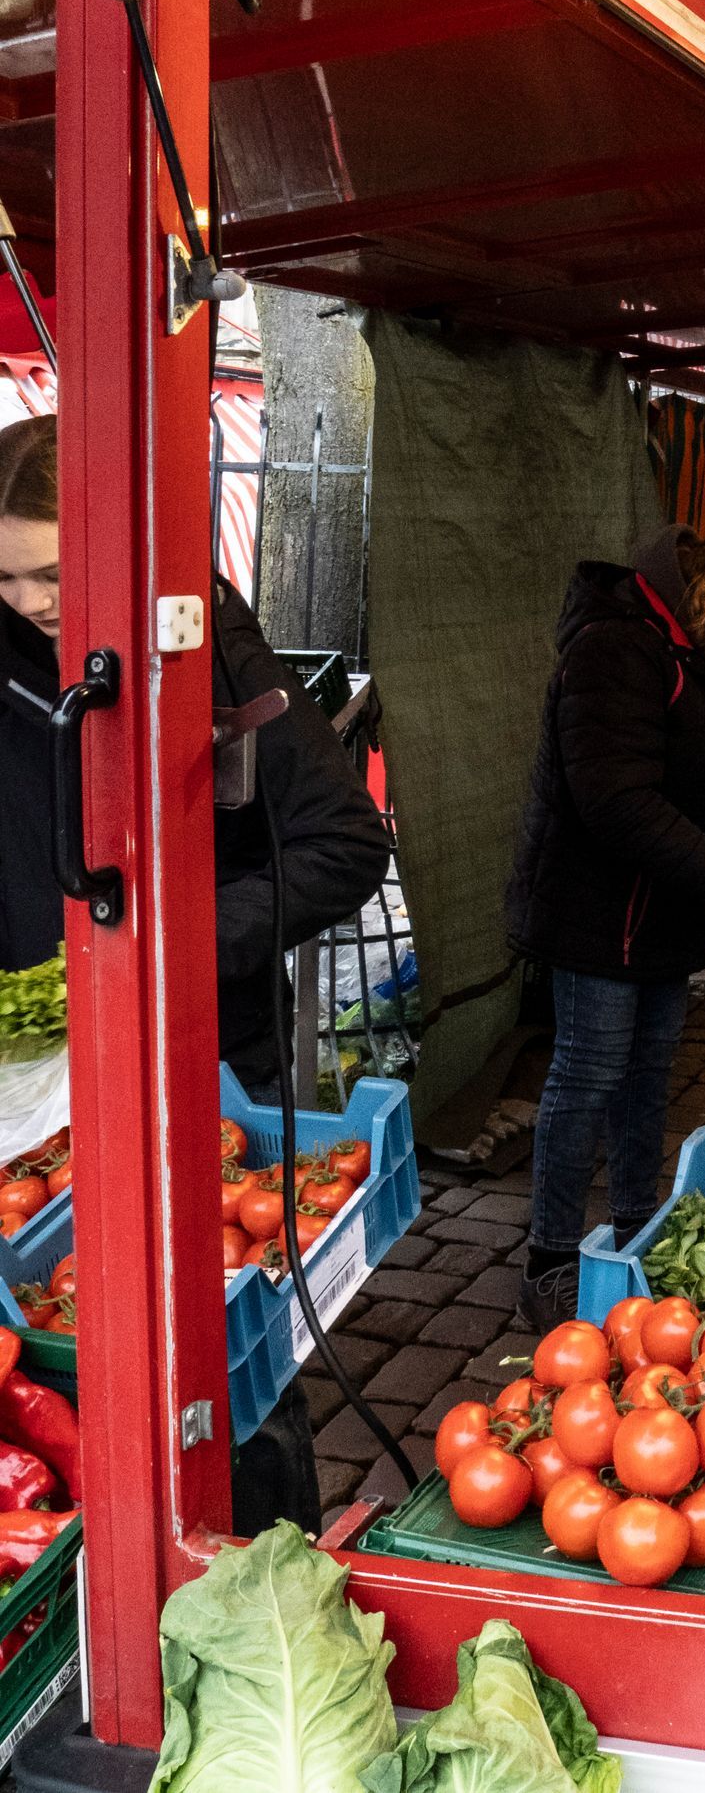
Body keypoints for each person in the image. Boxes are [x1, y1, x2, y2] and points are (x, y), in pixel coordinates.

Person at [0, 414, 392, 1531]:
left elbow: (343, 846)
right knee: (53, 1352)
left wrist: (153, 951)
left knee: (228, 1370)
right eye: (6, 575)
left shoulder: (202, 633)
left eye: (52, 573)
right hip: (30, 1089)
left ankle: (267, 1549)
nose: (29, 600)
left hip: (198, 1056)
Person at [509, 516, 705, 1331]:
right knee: (588, 1075)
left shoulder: (703, 656)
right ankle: (549, 1260)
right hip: (598, 908)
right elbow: (617, 801)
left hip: (663, 905)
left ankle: (636, 1229)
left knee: (649, 1073)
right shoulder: (615, 648)